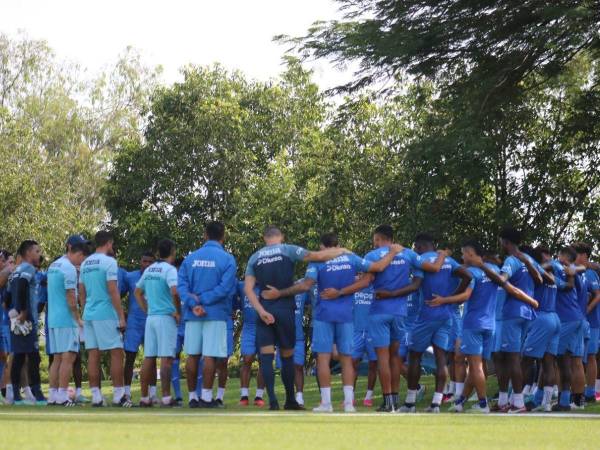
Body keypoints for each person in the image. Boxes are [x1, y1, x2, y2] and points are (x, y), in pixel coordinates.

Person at [244, 225, 351, 410]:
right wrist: (342, 251)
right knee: (287, 357)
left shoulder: (254, 257)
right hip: (285, 309)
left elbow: (248, 289)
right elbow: (317, 256)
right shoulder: (289, 249)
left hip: (265, 309)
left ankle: (273, 402)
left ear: (264, 238)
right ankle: (291, 401)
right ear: (281, 236)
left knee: (267, 358)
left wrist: (261, 311)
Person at [296, 232, 403, 412]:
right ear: (338, 245)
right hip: (346, 314)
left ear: (323, 247)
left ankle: (326, 403)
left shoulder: (318, 261)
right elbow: (376, 268)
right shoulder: (351, 258)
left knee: (323, 358)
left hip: (323, 314)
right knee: (347, 359)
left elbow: (307, 284)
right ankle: (348, 404)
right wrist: (392, 253)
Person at [400, 233, 472, 414]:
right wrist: (450, 298)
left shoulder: (420, 260)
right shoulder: (450, 260)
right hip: (446, 315)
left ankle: (410, 403)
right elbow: (468, 276)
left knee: (414, 356)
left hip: (426, 315)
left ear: (418, 246)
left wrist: (392, 293)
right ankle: (436, 404)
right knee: (441, 358)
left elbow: (416, 285)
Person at [480, 227, 543, 413]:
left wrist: (485, 269)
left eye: (501, 241)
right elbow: (540, 280)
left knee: (512, 358)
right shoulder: (528, 258)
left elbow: (502, 279)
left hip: (512, 313)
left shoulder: (512, 259)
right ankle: (503, 401)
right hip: (524, 314)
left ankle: (518, 403)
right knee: (501, 356)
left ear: (505, 242)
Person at [177, 221, 237, 408]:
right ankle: (206, 397)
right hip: (216, 314)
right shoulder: (227, 259)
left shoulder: (190, 259)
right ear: (223, 236)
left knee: (192, 355)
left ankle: (193, 397)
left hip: (193, 314)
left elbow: (181, 287)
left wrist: (195, 302)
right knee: (210, 356)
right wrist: (203, 300)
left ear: (205, 235)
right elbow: (225, 288)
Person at [437, 240, 499, 413]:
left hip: (473, 324)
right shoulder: (493, 270)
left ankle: (482, 404)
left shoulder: (472, 272)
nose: (462, 257)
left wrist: (443, 300)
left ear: (471, 254)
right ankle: (460, 401)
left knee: (475, 366)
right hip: (490, 325)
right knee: (477, 365)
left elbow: (465, 296)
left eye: (464, 253)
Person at [80, 230, 130, 407]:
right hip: (106, 313)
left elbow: (82, 291)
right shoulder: (109, 262)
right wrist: (121, 316)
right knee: (117, 352)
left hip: (89, 314)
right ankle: (119, 395)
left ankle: (96, 396)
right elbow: (113, 290)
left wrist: (85, 310)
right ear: (109, 243)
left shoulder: (85, 263)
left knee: (94, 354)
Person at [135, 239, 180, 408]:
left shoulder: (149, 270)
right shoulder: (170, 270)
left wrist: (146, 309)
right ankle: (167, 397)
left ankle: (145, 397)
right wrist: (177, 311)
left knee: (149, 357)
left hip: (151, 318)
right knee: (166, 359)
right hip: (165, 317)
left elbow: (137, 292)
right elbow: (175, 291)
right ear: (172, 252)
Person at [47, 237, 89, 406]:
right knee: (69, 357)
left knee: (57, 358)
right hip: (67, 320)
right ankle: (63, 396)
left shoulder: (53, 265)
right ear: (78, 253)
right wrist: (78, 318)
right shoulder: (69, 269)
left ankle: (53, 395)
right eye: (82, 259)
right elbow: (71, 298)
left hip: (54, 319)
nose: (81, 263)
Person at [8, 240, 46, 405]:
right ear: (28, 253)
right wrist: (23, 311)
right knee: (33, 356)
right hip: (26, 320)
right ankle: (38, 395)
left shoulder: (15, 271)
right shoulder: (28, 269)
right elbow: (23, 285)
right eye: (37, 251)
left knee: (18, 357)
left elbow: (8, 295)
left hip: (16, 320)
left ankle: (16, 396)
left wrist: (12, 310)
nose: (39, 254)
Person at [123, 252, 156, 402]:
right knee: (130, 357)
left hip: (152, 321)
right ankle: (126, 393)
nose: (147, 264)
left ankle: (153, 394)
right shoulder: (130, 277)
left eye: (150, 261)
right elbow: (118, 294)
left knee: (152, 358)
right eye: (145, 261)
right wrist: (122, 315)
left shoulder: (158, 276)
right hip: (134, 323)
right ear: (140, 261)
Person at [238, 280, 265, 406]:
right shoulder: (241, 285)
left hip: (265, 328)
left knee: (264, 361)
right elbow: (232, 299)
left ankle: (259, 397)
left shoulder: (267, 285)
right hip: (248, 328)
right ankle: (244, 396)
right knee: (247, 359)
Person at [351, 279, 377, 407]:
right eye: (359, 272)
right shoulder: (353, 286)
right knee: (352, 363)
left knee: (373, 364)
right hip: (356, 330)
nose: (361, 275)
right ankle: (350, 396)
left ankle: (369, 396)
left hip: (372, 330)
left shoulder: (376, 286)